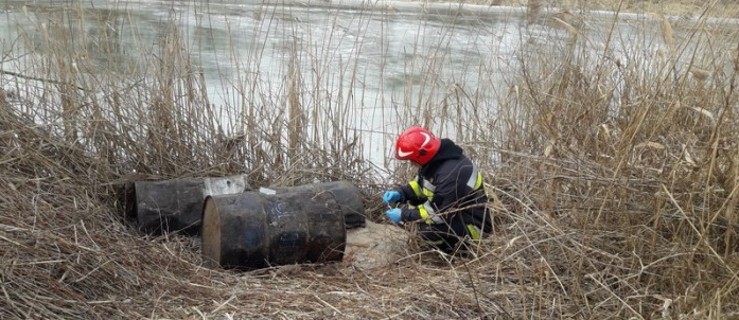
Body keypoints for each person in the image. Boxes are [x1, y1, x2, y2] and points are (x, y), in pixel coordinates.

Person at [383, 126, 492, 254]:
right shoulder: (436, 162)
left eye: (411, 160)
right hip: (458, 216)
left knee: (427, 232)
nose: (411, 164)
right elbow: (421, 186)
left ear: (421, 155)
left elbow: (438, 214)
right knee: (415, 206)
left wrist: (403, 214)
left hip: (475, 227)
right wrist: (401, 194)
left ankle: (459, 252)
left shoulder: (451, 174)